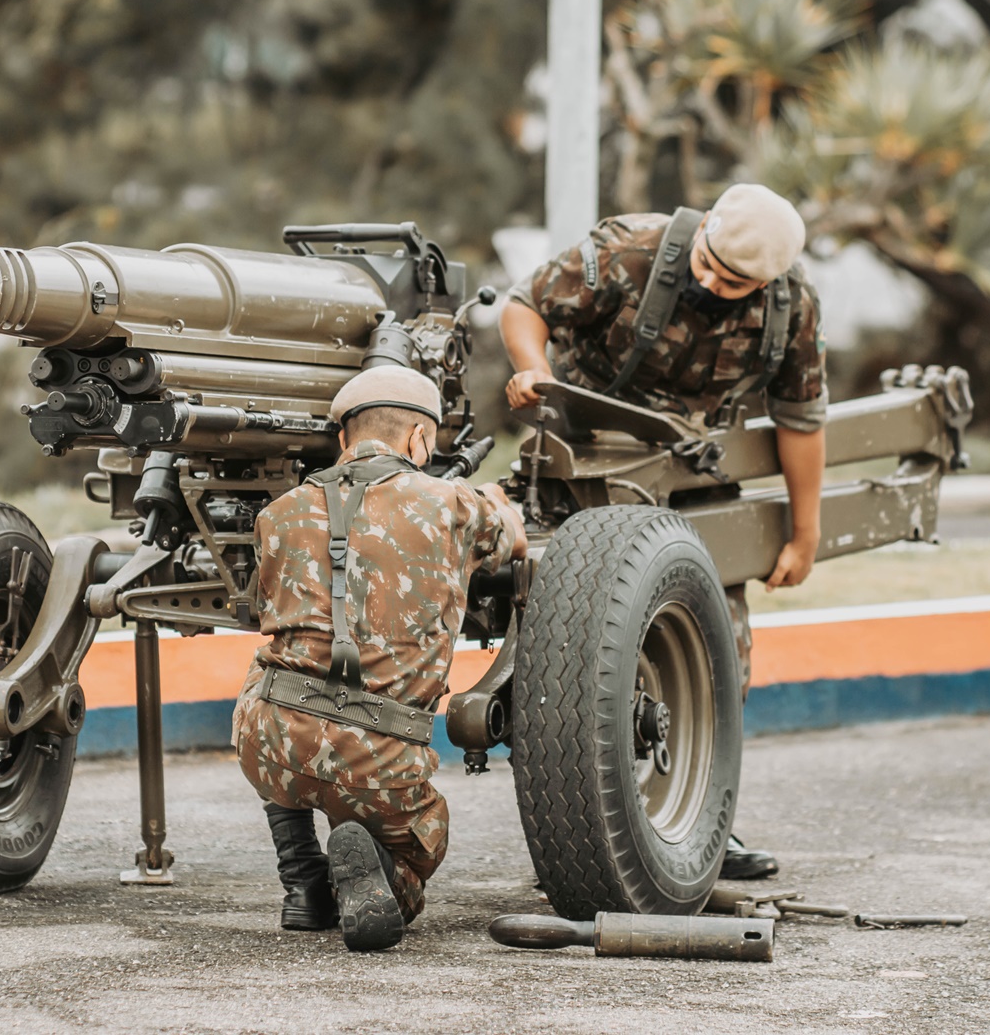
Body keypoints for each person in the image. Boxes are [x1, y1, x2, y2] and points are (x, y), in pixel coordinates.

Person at [499, 183, 826, 880]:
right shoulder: (628, 251)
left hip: (693, 482)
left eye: (734, 281)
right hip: (586, 472)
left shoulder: (791, 306)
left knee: (718, 655)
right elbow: (526, 304)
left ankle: (700, 818)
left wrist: (805, 533)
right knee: (573, 660)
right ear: (703, 226)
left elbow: (801, 417)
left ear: (767, 281)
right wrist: (533, 369)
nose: (711, 282)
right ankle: (577, 833)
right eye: (708, 262)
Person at [232, 365, 528, 951]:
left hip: (271, 747)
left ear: (343, 439)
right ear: (420, 440)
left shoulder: (278, 513)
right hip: (382, 767)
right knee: (422, 847)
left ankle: (303, 885)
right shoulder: (452, 503)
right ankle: (386, 878)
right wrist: (491, 500)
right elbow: (514, 538)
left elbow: (269, 607)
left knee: (266, 671)